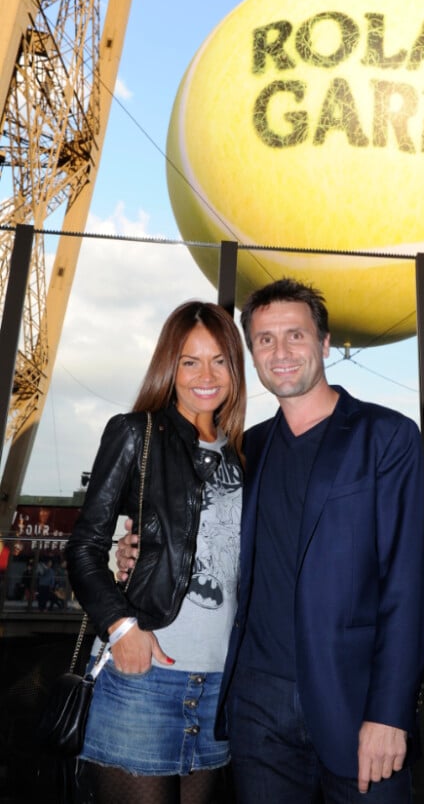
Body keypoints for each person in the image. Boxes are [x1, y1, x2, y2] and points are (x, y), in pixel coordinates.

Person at [118, 278, 424, 804]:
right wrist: (136, 555)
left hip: (354, 702)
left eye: (295, 336)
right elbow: (200, 536)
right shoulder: (247, 450)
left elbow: (408, 584)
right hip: (256, 705)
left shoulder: (387, 437)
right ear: (252, 355)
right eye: (264, 340)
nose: (280, 352)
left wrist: (389, 712)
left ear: (325, 343)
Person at [65, 300, 246, 804]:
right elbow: (84, 546)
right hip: (142, 681)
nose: (205, 376)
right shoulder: (136, 433)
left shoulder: (244, 453)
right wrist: (121, 627)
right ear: (171, 366)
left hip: (218, 690)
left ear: (236, 367)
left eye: (219, 361)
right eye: (190, 361)